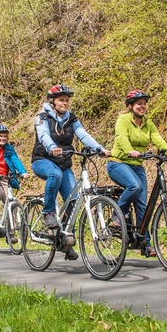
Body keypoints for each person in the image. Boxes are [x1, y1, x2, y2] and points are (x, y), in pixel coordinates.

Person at [31, 84, 109, 260]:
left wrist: (99, 149)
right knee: (55, 175)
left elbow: (83, 135)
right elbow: (43, 136)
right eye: (61, 100)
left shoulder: (71, 119)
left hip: (64, 164)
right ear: (52, 102)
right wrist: (52, 147)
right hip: (43, 160)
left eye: (67, 100)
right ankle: (48, 213)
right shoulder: (42, 117)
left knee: (73, 201)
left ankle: (66, 240)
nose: (64, 103)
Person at [107, 89, 167, 257]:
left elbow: (158, 139)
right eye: (139, 103)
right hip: (118, 163)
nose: (142, 106)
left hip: (137, 166)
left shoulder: (148, 123)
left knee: (142, 205)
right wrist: (129, 150)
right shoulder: (123, 120)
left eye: (144, 104)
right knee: (135, 186)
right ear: (130, 106)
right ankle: (118, 213)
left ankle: (144, 242)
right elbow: (121, 138)